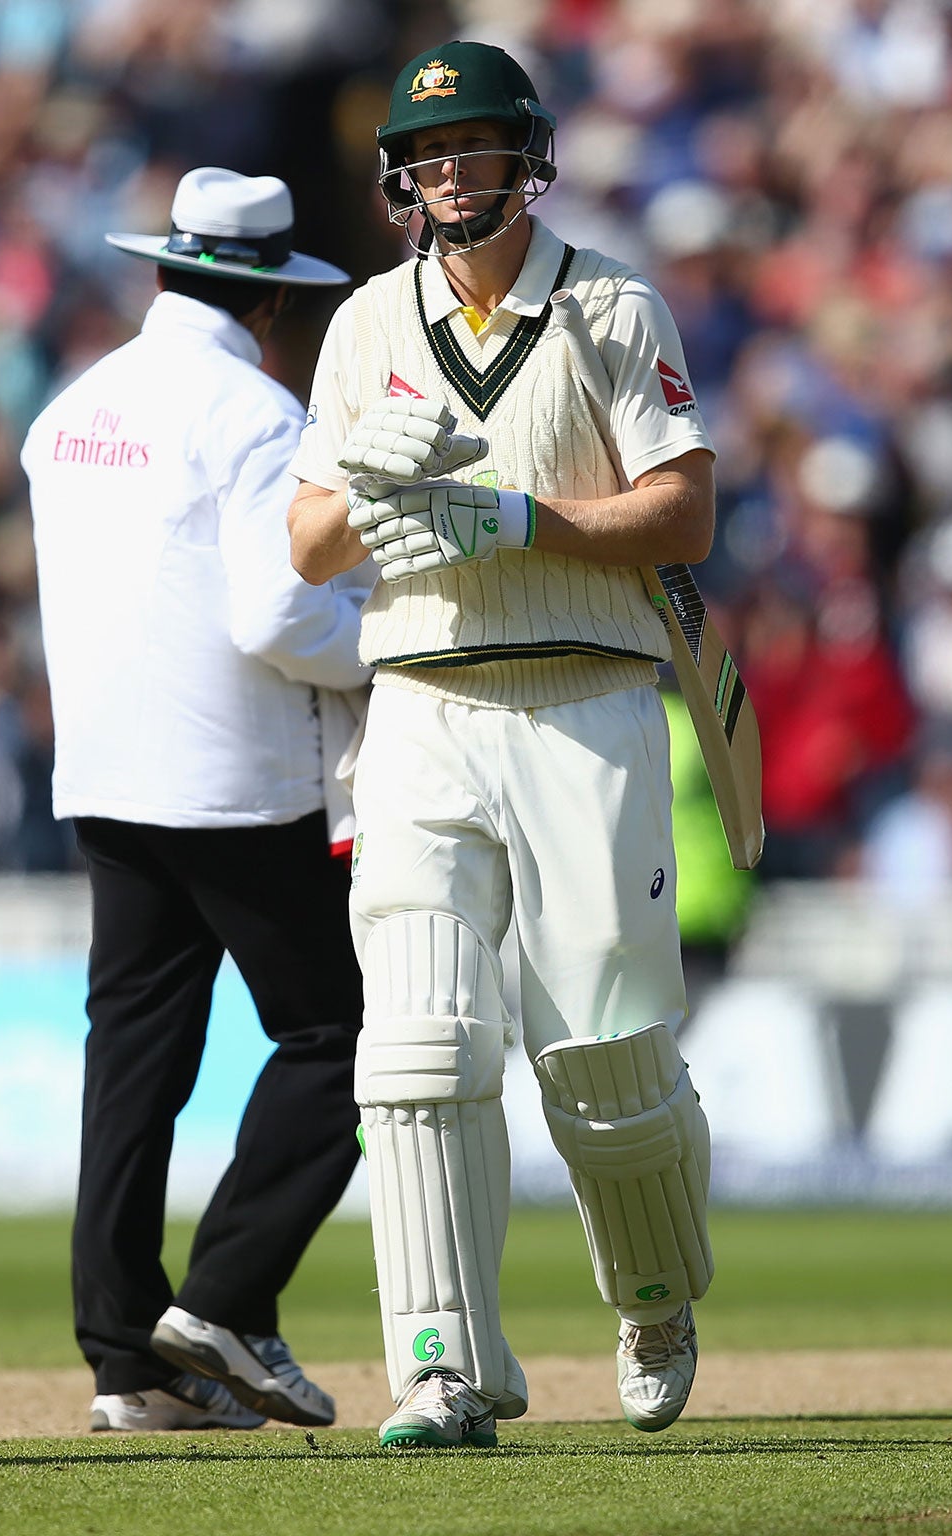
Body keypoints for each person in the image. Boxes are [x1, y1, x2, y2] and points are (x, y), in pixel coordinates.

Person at [287, 41, 720, 1448]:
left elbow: (686, 513)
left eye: (473, 150)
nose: (450, 176)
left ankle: (652, 1295)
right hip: (420, 703)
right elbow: (306, 549)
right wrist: (372, 481)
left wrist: (530, 522)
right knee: (415, 1044)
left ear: (525, 158)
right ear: (399, 176)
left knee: (603, 1051)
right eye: (428, 156)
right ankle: (441, 1366)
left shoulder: (608, 303)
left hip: (586, 700)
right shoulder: (363, 325)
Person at [22, 167, 369, 1433]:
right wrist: (388, 637)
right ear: (272, 302)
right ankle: (224, 1300)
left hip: (105, 775)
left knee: (133, 1063)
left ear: (164, 272)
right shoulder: (259, 415)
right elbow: (277, 612)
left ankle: (126, 1361)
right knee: (352, 1034)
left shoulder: (68, 408)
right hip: (231, 778)